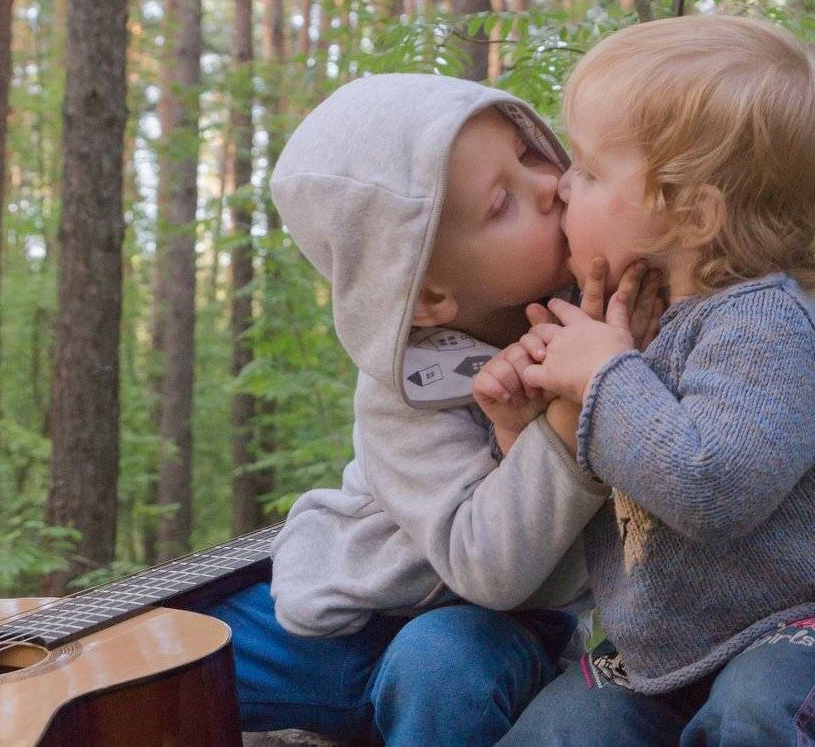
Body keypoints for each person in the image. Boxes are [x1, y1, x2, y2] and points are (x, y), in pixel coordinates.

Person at [495, 15, 815, 746]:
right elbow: (581, 525)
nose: (561, 187)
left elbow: (710, 488)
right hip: (676, 659)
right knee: (561, 729)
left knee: (759, 709)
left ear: (694, 213)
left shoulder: (765, 325)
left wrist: (604, 374)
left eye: (589, 171)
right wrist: (525, 427)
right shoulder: (628, 329)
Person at [205, 72, 663, 745]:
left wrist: (571, 416)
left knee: (441, 666)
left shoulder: (609, 322)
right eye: (503, 201)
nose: (552, 184)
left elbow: (495, 574)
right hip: (342, 623)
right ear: (426, 297)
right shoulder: (401, 390)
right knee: (158, 648)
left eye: (531, 153)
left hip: (488, 631)